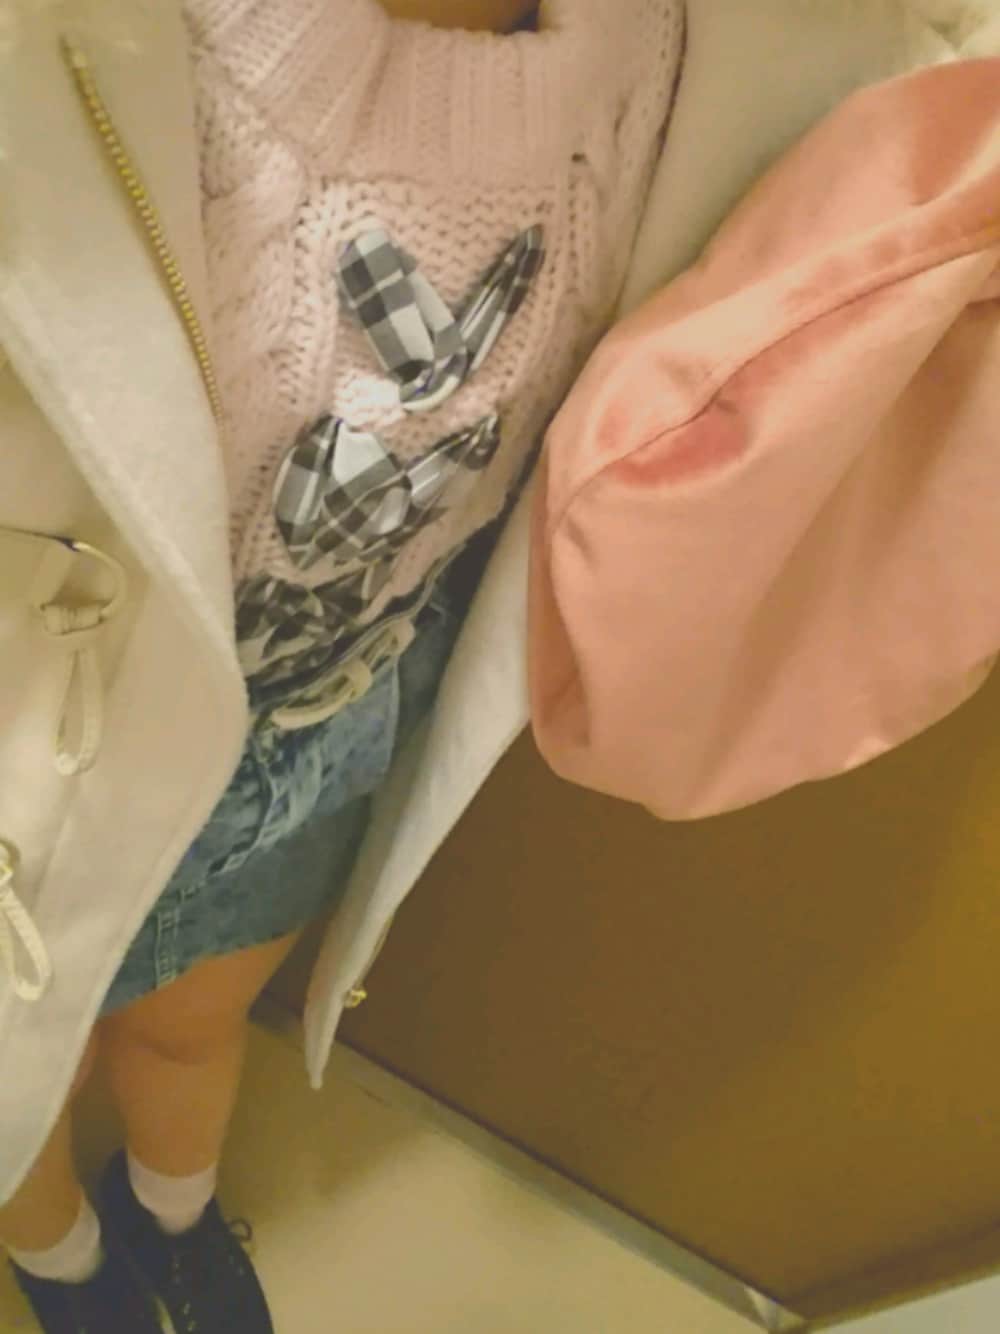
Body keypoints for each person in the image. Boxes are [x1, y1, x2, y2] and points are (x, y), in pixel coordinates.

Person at [0, 0, 683, 1328]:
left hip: (322, 724)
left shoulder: (663, 48)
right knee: (25, 1066)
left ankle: (172, 1214)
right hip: (57, 734)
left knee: (190, 1028)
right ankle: (61, 1261)